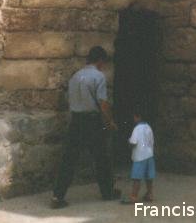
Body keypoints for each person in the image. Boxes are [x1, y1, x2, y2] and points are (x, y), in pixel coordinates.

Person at [51, 45, 120, 209]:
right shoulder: (99, 77)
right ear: (100, 60)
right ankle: (107, 192)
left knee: (68, 159)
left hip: (76, 120)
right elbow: (103, 103)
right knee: (102, 157)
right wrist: (110, 121)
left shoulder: (75, 76)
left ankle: (57, 196)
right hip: (92, 120)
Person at [121, 109, 155, 205]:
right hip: (149, 155)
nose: (133, 119)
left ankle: (134, 196)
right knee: (149, 177)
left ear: (138, 117)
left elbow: (133, 142)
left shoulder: (137, 129)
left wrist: (128, 142)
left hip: (140, 156)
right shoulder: (149, 127)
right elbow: (152, 141)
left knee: (137, 178)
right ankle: (150, 194)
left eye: (134, 117)